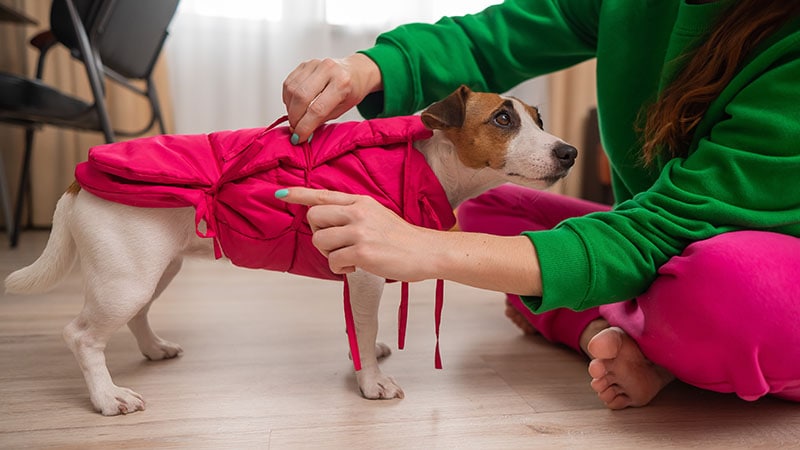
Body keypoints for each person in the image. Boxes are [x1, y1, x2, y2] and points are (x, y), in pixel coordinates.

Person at [278, 0, 800, 409]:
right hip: (653, 232)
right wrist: (369, 67)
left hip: (750, 258)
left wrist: (430, 249)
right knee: (490, 205)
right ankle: (626, 329)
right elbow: (500, 35)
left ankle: (610, 325)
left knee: (725, 284)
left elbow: (674, 227)